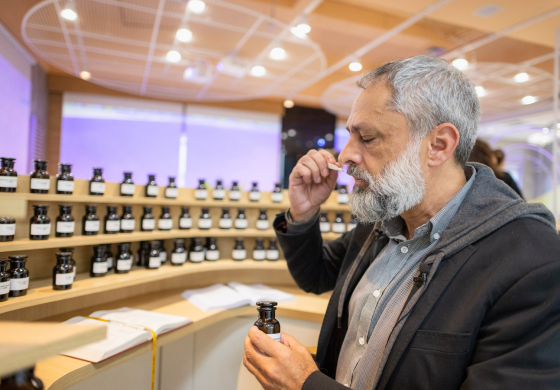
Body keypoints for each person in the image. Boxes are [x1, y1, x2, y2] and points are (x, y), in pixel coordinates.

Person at [243, 55, 560, 390]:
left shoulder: (533, 260)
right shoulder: (387, 214)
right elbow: (316, 275)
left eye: (366, 138)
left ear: (438, 146)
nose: (345, 156)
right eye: (350, 136)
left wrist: (306, 385)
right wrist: (304, 213)